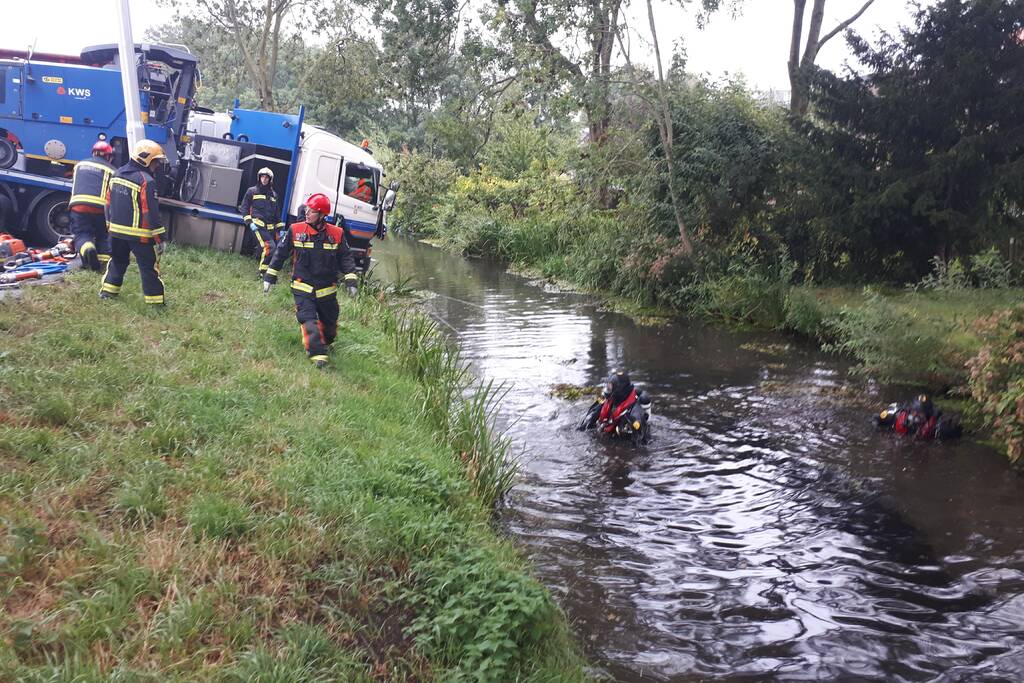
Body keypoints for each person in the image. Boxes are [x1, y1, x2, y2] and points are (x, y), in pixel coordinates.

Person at [262, 193, 358, 369]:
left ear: (322, 215)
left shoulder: (337, 234)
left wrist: (351, 281)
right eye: (307, 209)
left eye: (312, 211)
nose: (307, 213)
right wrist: (270, 276)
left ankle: (324, 342)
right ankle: (317, 353)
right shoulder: (296, 230)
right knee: (308, 319)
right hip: (302, 286)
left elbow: (346, 258)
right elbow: (280, 254)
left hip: (327, 290)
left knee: (329, 327)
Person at [101, 139, 167, 305]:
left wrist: (109, 226)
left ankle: (108, 293)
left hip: (116, 233)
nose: (157, 166)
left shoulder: (116, 174)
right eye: (156, 162)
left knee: (117, 262)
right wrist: (160, 238)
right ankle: (156, 302)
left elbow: (107, 203)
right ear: (146, 159)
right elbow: (150, 212)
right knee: (148, 268)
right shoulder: (146, 181)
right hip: (140, 235)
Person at [69, 141, 115, 272]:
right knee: (103, 235)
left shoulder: (79, 165)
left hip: (78, 205)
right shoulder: (112, 170)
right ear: (108, 156)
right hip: (100, 207)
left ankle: (88, 249)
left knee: (82, 234)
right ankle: (103, 266)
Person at [578, 369, 653, 444]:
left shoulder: (634, 412)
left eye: (610, 387)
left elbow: (641, 442)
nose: (607, 390)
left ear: (619, 389)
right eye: (608, 386)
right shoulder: (609, 400)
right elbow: (592, 416)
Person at [240, 167, 285, 278]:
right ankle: (262, 273)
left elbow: (277, 212)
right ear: (259, 178)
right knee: (269, 247)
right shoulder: (252, 191)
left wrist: (280, 229)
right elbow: (244, 207)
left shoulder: (274, 195)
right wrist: (249, 222)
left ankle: (264, 269)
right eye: (262, 177)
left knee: (272, 249)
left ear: (270, 180)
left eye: (266, 177)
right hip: (257, 225)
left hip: (270, 228)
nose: (264, 179)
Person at [873, 394, 963, 440]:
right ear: (910, 410)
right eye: (915, 412)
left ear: (928, 413)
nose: (917, 415)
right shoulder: (895, 414)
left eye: (921, 413)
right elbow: (876, 419)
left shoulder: (937, 426)